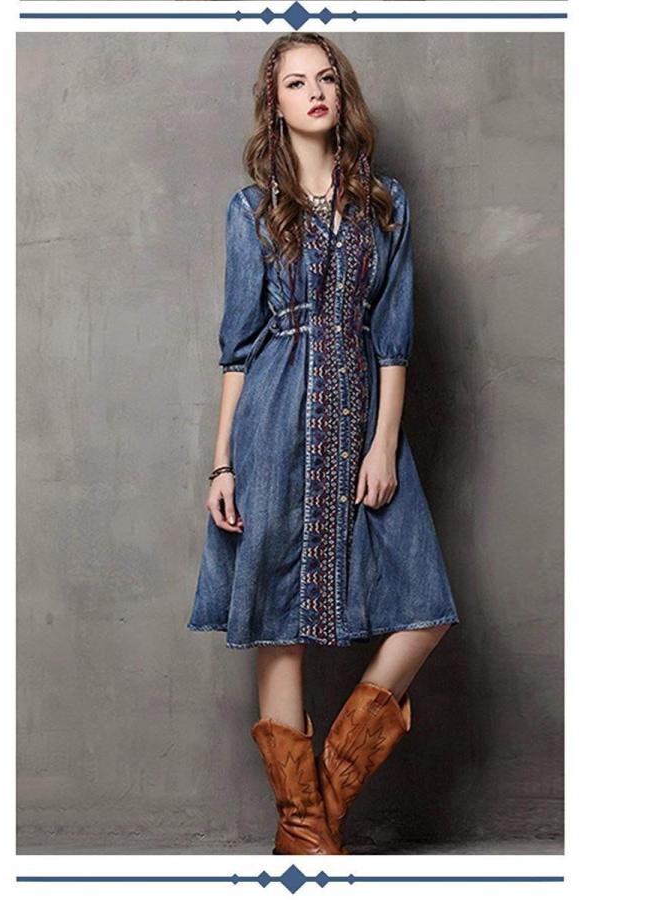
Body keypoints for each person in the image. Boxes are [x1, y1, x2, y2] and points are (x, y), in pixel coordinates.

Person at [186, 33, 460, 855]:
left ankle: (322, 804)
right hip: (272, 422)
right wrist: (222, 462)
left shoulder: (385, 202)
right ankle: (306, 828)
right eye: (296, 82)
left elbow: (395, 338)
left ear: (342, 93)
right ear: (274, 105)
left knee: (424, 607)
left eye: (326, 77)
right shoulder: (251, 211)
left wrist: (384, 443)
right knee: (278, 622)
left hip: (363, 420)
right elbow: (239, 350)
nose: (315, 92)